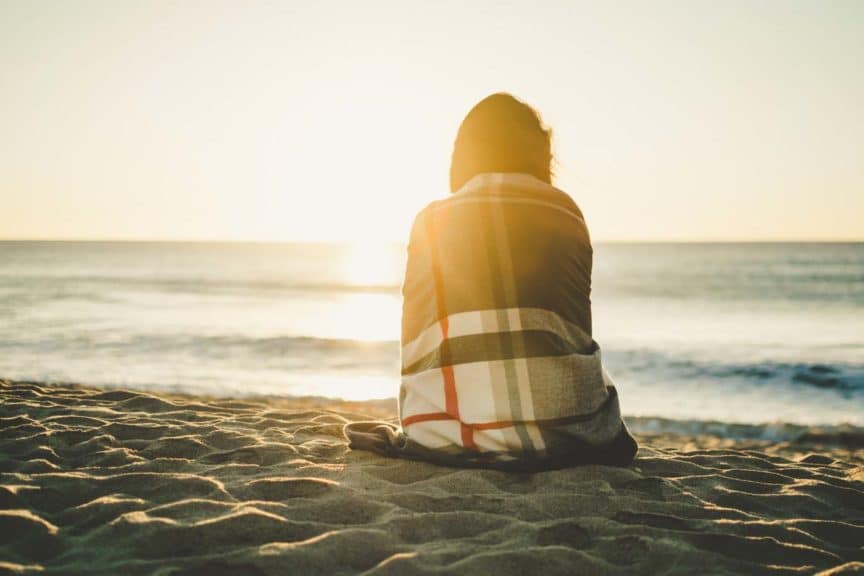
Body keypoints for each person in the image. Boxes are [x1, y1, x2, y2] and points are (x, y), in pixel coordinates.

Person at [345, 93, 637, 470]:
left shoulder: (430, 222)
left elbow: (416, 342)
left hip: (443, 436)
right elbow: (571, 333)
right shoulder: (565, 213)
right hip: (567, 434)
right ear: (538, 153)